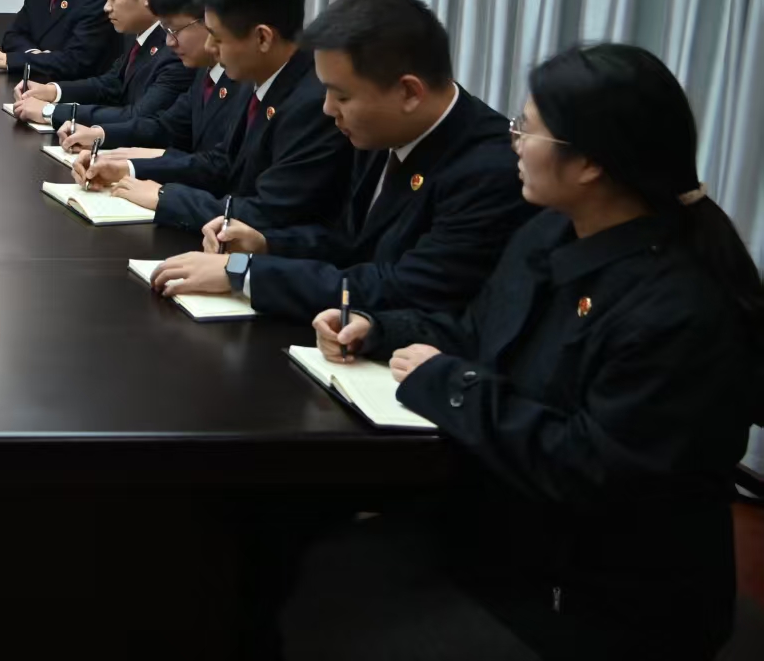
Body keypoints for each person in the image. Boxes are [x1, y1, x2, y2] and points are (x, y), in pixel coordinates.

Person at [304, 44, 763, 660]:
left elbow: (589, 467)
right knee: (304, 565)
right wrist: (377, 327)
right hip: (505, 533)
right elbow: (482, 329)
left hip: (596, 597)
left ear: (590, 162)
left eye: (527, 128)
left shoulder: (678, 307)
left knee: (330, 614)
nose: (513, 141)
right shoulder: (550, 229)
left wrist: (452, 385)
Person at [150, 0, 536, 320]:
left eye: (342, 96)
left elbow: (403, 287)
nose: (327, 109)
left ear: (408, 93)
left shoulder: (488, 170)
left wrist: (244, 274)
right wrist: (266, 244)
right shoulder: (381, 128)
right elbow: (349, 242)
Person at [73, 0, 349, 233]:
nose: (209, 47)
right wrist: (128, 168)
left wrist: (165, 197)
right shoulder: (256, 73)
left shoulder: (313, 103)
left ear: (262, 38)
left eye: (217, 38)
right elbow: (220, 162)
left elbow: (269, 212)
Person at [58, 0, 241, 159]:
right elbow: (166, 128)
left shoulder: (241, 83)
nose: (169, 42)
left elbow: (217, 165)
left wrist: (133, 167)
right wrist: (100, 135)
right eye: (166, 30)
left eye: (175, 30)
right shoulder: (204, 74)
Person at [11, 0, 190, 132]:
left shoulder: (176, 49)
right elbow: (110, 84)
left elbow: (138, 116)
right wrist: (51, 91)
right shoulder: (139, 34)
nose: (106, 7)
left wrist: (50, 112)